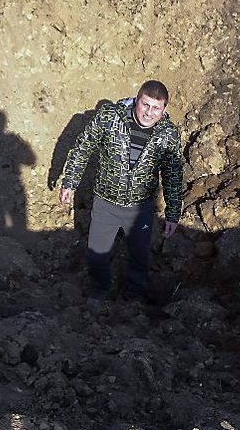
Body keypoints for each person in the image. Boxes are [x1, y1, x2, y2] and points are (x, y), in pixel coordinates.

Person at [59, 80, 184, 301]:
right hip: (106, 202)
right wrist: (70, 182)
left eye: (156, 108)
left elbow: (173, 174)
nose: (149, 112)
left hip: (141, 208)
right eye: (145, 105)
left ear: (164, 109)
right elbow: (84, 146)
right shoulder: (110, 118)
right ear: (137, 100)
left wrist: (173, 213)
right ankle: (101, 289)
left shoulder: (168, 135)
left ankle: (134, 296)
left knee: (139, 254)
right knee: (97, 255)